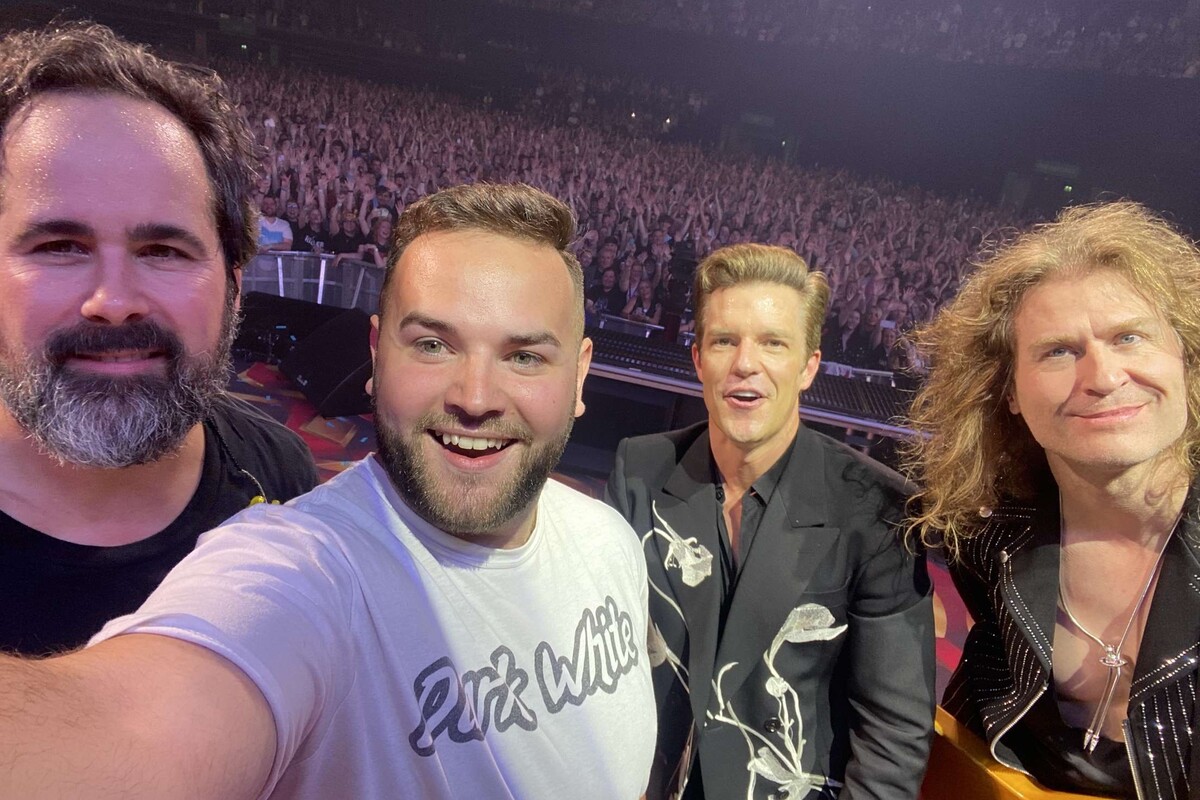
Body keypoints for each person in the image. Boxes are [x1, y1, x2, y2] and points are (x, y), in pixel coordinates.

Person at [0, 181, 656, 799]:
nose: (475, 398)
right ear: (375, 356)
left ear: (579, 377)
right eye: (432, 344)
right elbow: (130, 734)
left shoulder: (610, 541)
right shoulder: (305, 571)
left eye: (524, 357)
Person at [0, 23, 318, 657]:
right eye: (59, 247)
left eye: (163, 250)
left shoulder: (283, 475)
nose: (114, 303)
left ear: (232, 285)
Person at [606, 243, 935, 799]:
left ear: (808, 367)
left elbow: (892, 735)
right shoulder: (637, 469)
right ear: (698, 359)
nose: (745, 363)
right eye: (724, 341)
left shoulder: (878, 510)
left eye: (773, 343)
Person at [906, 201, 1200, 798]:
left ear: (1186, 358)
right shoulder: (983, 538)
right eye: (1058, 351)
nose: (1103, 375)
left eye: (1130, 337)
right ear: (1008, 390)